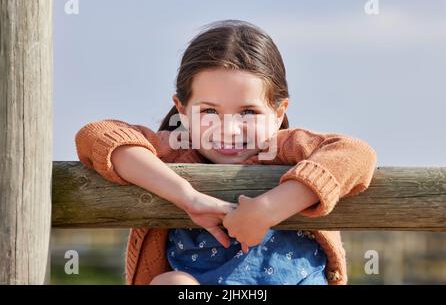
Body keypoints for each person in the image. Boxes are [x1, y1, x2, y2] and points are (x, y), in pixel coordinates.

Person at [75, 20, 377, 285]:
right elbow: (97, 135)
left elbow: (355, 153)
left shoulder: (287, 148)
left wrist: (269, 209)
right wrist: (186, 196)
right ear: (183, 110)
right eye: (209, 111)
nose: (229, 130)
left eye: (248, 112)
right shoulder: (178, 150)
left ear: (278, 111)